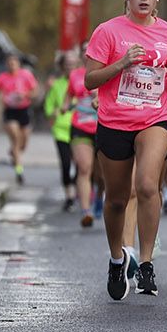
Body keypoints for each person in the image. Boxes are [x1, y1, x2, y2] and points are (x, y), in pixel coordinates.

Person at [84, 0, 167, 301]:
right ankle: (117, 259)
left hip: (155, 117)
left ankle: (145, 263)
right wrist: (121, 64)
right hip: (114, 121)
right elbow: (89, 80)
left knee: (145, 185)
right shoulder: (108, 31)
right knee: (116, 199)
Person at [0, 54, 38, 185]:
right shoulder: (1, 77)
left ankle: (14, 151)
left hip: (24, 110)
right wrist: (3, 100)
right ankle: (19, 171)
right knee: (15, 137)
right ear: (6, 65)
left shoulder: (26, 75)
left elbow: (35, 92)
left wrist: (25, 95)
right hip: (10, 111)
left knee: (22, 144)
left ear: (18, 64)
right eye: (9, 64)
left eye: (14, 63)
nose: (12, 66)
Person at [44, 52, 80, 211]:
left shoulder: (83, 81)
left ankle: (78, 187)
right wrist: (55, 112)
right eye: (67, 64)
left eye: (73, 64)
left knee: (81, 165)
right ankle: (69, 196)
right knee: (65, 164)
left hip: (80, 128)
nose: (70, 67)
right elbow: (48, 108)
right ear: (62, 66)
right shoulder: (56, 85)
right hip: (61, 131)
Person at [67, 55, 100, 227]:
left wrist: (99, 94)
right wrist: (65, 106)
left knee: (102, 174)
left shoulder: (110, 70)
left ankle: (100, 197)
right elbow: (69, 96)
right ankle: (86, 211)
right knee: (85, 167)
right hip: (80, 126)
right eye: (85, 52)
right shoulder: (75, 75)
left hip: (104, 126)